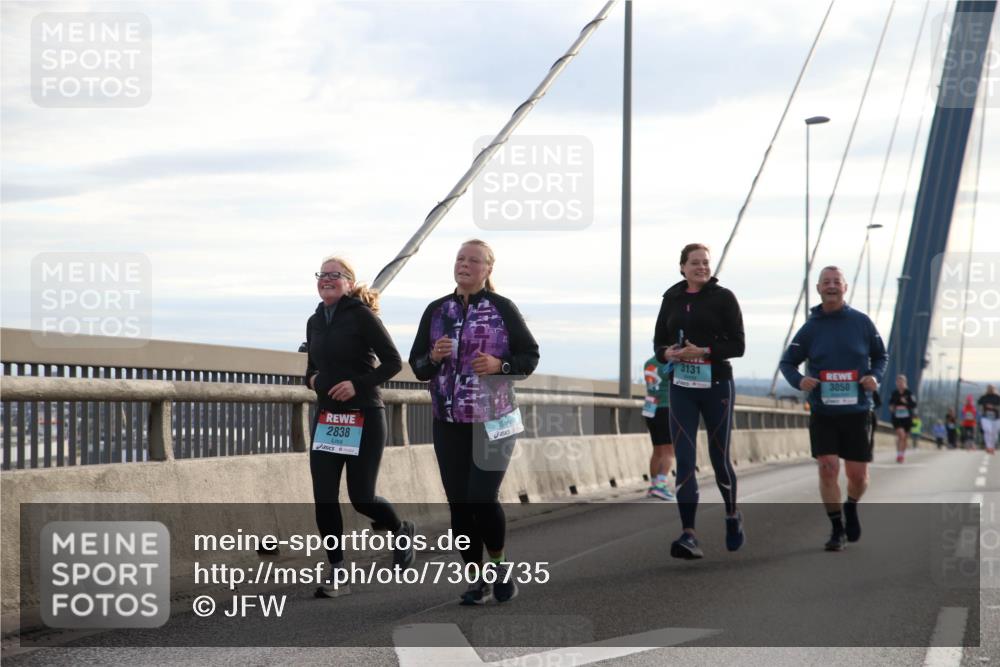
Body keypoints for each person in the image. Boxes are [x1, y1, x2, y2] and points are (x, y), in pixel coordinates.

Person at [409, 239, 539, 605]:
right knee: (459, 505)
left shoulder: (502, 309)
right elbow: (417, 367)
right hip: (448, 421)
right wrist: (433, 358)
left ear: (487, 269)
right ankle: (475, 579)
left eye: (473, 260)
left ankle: (498, 566)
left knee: (481, 498)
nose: (464, 265)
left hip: (493, 420)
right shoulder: (437, 311)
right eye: (460, 259)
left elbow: (529, 357)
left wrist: (502, 366)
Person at [305, 256, 415, 598]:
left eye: (334, 275)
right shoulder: (314, 321)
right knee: (323, 497)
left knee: (361, 497)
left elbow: (394, 362)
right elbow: (309, 371)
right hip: (330, 418)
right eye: (322, 274)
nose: (327, 279)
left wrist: (356, 384)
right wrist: (314, 380)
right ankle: (338, 571)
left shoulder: (361, 316)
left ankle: (400, 528)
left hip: (364, 414)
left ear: (349, 283)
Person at [780, 266, 886, 552]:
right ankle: (836, 527)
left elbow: (880, 356)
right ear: (818, 288)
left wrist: (874, 377)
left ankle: (851, 505)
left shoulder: (861, 323)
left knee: (858, 477)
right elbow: (787, 362)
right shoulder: (811, 327)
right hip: (823, 412)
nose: (831, 286)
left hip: (858, 411)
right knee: (828, 469)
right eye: (826, 282)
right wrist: (799, 380)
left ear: (845, 288)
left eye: (836, 282)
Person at [653, 243, 745, 560]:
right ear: (682, 267)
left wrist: (703, 351)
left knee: (719, 457)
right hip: (682, 386)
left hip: (717, 384)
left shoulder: (724, 298)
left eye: (706, 263)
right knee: (685, 458)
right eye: (695, 263)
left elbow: (738, 345)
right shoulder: (672, 298)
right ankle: (689, 533)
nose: (702, 267)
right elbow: (658, 344)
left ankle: (732, 514)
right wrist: (669, 353)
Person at [642, 355, 675, 501]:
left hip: (650, 407)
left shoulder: (648, 363)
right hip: (666, 407)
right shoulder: (670, 363)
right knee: (669, 451)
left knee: (657, 451)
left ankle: (654, 485)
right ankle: (661, 486)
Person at [889, 375, 917, 463]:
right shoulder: (894, 393)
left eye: (902, 382)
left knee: (905, 438)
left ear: (905, 383)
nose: (900, 384)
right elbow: (890, 404)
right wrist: (892, 407)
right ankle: (899, 455)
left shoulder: (909, 393)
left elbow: (914, 405)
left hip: (907, 418)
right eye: (898, 382)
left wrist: (906, 402)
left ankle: (902, 455)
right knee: (901, 435)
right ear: (896, 383)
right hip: (897, 418)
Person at [978, 385, 1000, 455]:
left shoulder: (997, 397)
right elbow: (979, 402)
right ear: (987, 389)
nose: (990, 390)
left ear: (994, 389)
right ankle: (988, 447)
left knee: (994, 433)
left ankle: (992, 447)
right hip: (986, 417)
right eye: (989, 388)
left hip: (995, 418)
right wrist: (984, 403)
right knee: (988, 431)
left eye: (992, 388)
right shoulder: (984, 397)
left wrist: (994, 406)